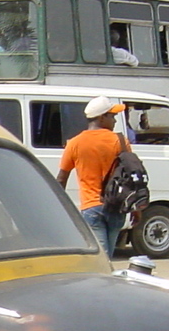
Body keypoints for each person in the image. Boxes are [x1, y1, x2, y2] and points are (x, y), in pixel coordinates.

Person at [56, 95, 131, 257]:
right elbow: (131, 174)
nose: (115, 121)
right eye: (112, 116)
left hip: (91, 207)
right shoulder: (120, 141)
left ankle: (104, 279)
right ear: (101, 118)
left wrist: (59, 206)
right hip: (117, 206)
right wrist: (136, 207)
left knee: (102, 256)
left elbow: (61, 178)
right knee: (107, 255)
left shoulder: (74, 143)